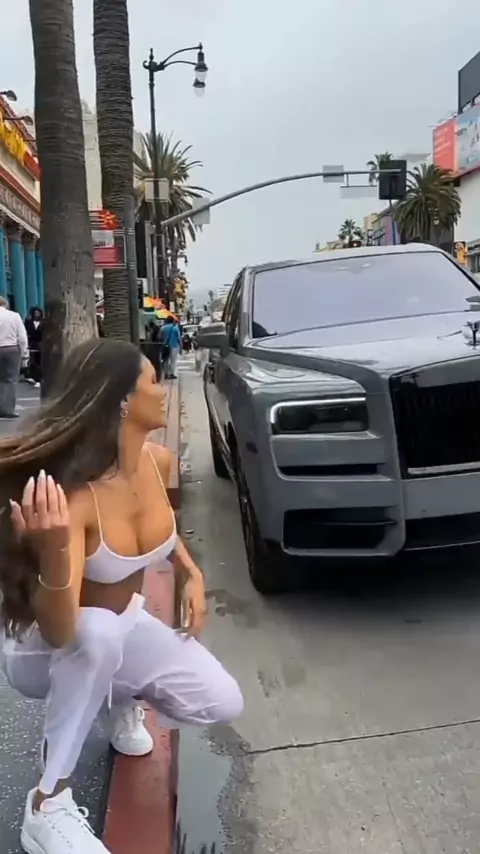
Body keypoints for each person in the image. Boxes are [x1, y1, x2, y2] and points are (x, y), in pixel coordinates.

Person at [0, 339, 243, 854]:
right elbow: (61, 631)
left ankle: (115, 702)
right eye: (153, 380)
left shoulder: (157, 461)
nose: (163, 387)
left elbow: (160, 531)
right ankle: (47, 804)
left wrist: (190, 572)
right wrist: (51, 552)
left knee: (221, 700)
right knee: (97, 633)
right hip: (43, 646)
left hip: (118, 626)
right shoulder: (75, 499)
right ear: (124, 402)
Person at [0, 295, 29, 418]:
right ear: (5, 304)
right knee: (10, 380)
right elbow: (22, 337)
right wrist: (24, 353)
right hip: (11, 349)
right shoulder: (14, 316)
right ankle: (7, 410)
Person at [24, 307, 44, 388]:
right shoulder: (28, 322)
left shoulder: (44, 323)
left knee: (39, 362)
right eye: (35, 313)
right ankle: (32, 376)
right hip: (31, 344)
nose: (36, 315)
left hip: (41, 344)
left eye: (38, 313)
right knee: (32, 361)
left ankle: (38, 378)